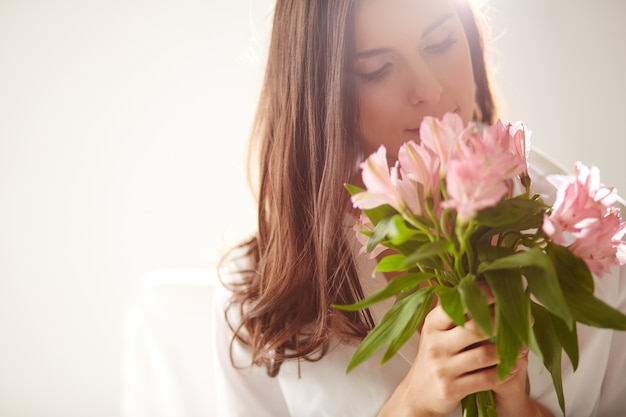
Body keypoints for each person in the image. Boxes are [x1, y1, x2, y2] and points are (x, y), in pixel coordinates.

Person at [211, 0, 626, 416]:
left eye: (442, 41)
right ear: (320, 94)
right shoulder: (252, 299)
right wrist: (411, 406)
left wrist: (519, 408)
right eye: (377, 69)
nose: (429, 88)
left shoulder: (599, 231)